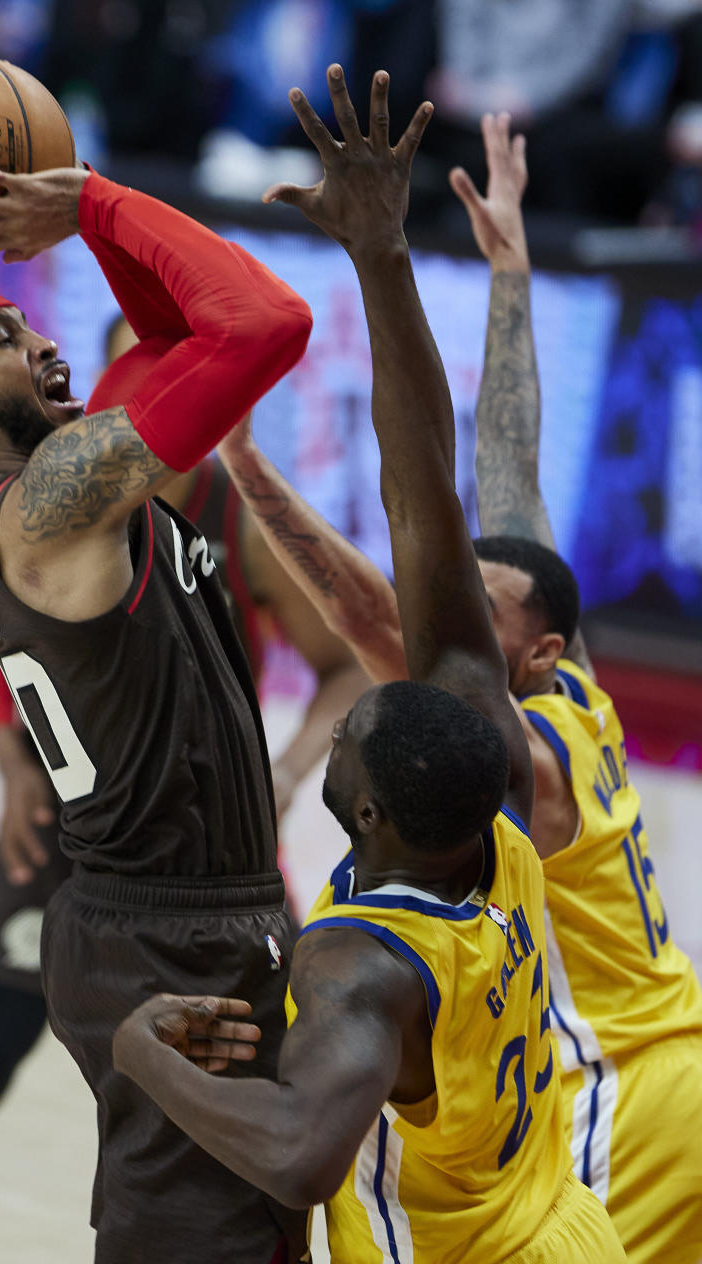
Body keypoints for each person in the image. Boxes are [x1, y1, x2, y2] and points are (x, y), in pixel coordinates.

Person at [113, 65, 624, 1262]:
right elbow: (421, 488)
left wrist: (139, 1052)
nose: (345, 711)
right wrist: (381, 254)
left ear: (371, 806)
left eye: (349, 733)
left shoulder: (361, 964)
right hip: (571, 1226)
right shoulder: (491, 813)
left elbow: (299, 1151)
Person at [217, 109, 702, 1262]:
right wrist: (510, 273)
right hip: (673, 1050)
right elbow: (509, 483)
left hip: (616, 1102)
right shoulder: (565, 683)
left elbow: (378, 610)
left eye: (490, 611)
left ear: (534, 648)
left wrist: (244, 463)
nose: (463, 618)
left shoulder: (510, 754)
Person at [0, 158, 313, 1264]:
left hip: (174, 909)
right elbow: (267, 324)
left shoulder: (54, 488)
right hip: (167, 929)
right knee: (196, 1239)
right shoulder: (55, 503)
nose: (51, 343)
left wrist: (88, 222)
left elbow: (167, 335)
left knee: (245, 1230)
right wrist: (93, 204)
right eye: (7, 337)